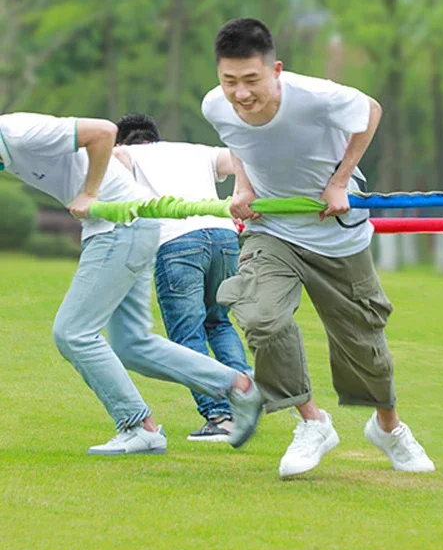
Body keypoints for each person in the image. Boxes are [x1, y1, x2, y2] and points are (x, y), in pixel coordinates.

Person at [201, 17, 435, 477]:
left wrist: (340, 180)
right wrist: (244, 187)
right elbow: (239, 144)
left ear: (276, 70)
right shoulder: (216, 105)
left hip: (336, 232)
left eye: (252, 80)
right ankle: (311, 422)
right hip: (275, 230)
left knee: (364, 344)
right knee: (261, 317)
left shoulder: (317, 97)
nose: (241, 93)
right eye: (230, 81)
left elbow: (371, 110)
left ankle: (388, 428)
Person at [0, 112, 260, 455]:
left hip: (120, 225)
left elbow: (105, 132)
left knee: (72, 332)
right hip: (130, 225)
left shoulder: (16, 131)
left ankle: (138, 426)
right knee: (131, 345)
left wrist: (90, 193)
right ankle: (239, 385)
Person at [114, 113, 250, 442]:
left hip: (176, 242)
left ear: (122, 140)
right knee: (219, 322)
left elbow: (114, 162)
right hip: (224, 236)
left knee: (186, 335)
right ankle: (247, 400)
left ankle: (220, 416)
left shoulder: (126, 154)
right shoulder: (193, 150)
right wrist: (241, 194)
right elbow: (242, 155)